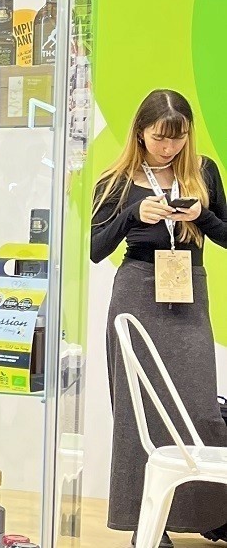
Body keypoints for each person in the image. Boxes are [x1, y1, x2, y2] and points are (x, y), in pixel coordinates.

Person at [92, 89, 227, 546]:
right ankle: (146, 524)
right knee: (138, 411)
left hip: (189, 289)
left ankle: (208, 514)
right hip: (136, 291)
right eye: (159, 137)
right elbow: (96, 249)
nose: (168, 147)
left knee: (199, 407)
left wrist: (203, 217)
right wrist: (134, 213)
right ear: (140, 132)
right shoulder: (116, 179)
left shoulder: (203, 171)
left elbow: (226, 235)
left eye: (178, 137)